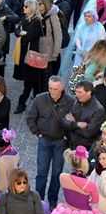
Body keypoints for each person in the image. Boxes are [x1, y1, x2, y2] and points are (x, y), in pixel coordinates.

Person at [26, 76, 73, 205]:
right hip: (44, 140)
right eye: (50, 88)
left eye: (56, 89)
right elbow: (30, 117)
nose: (52, 91)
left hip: (60, 142)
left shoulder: (70, 102)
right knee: (41, 172)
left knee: (56, 174)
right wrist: (37, 133)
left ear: (62, 88)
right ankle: (38, 201)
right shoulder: (40, 99)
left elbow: (73, 123)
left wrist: (67, 139)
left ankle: (52, 202)